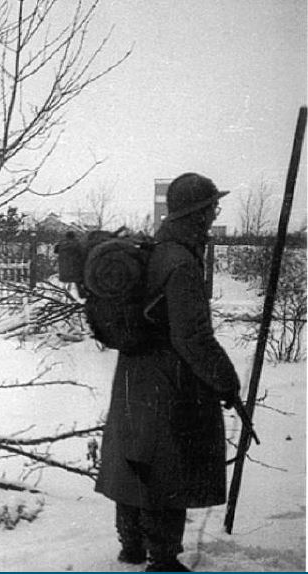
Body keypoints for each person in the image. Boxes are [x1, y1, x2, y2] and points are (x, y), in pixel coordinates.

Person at [94, 172, 241, 572]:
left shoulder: (155, 250)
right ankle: (162, 558)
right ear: (197, 213)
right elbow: (193, 338)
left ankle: (132, 546)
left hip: (133, 375)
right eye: (211, 207)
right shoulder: (180, 262)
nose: (214, 214)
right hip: (170, 381)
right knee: (167, 465)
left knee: (134, 460)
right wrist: (226, 380)